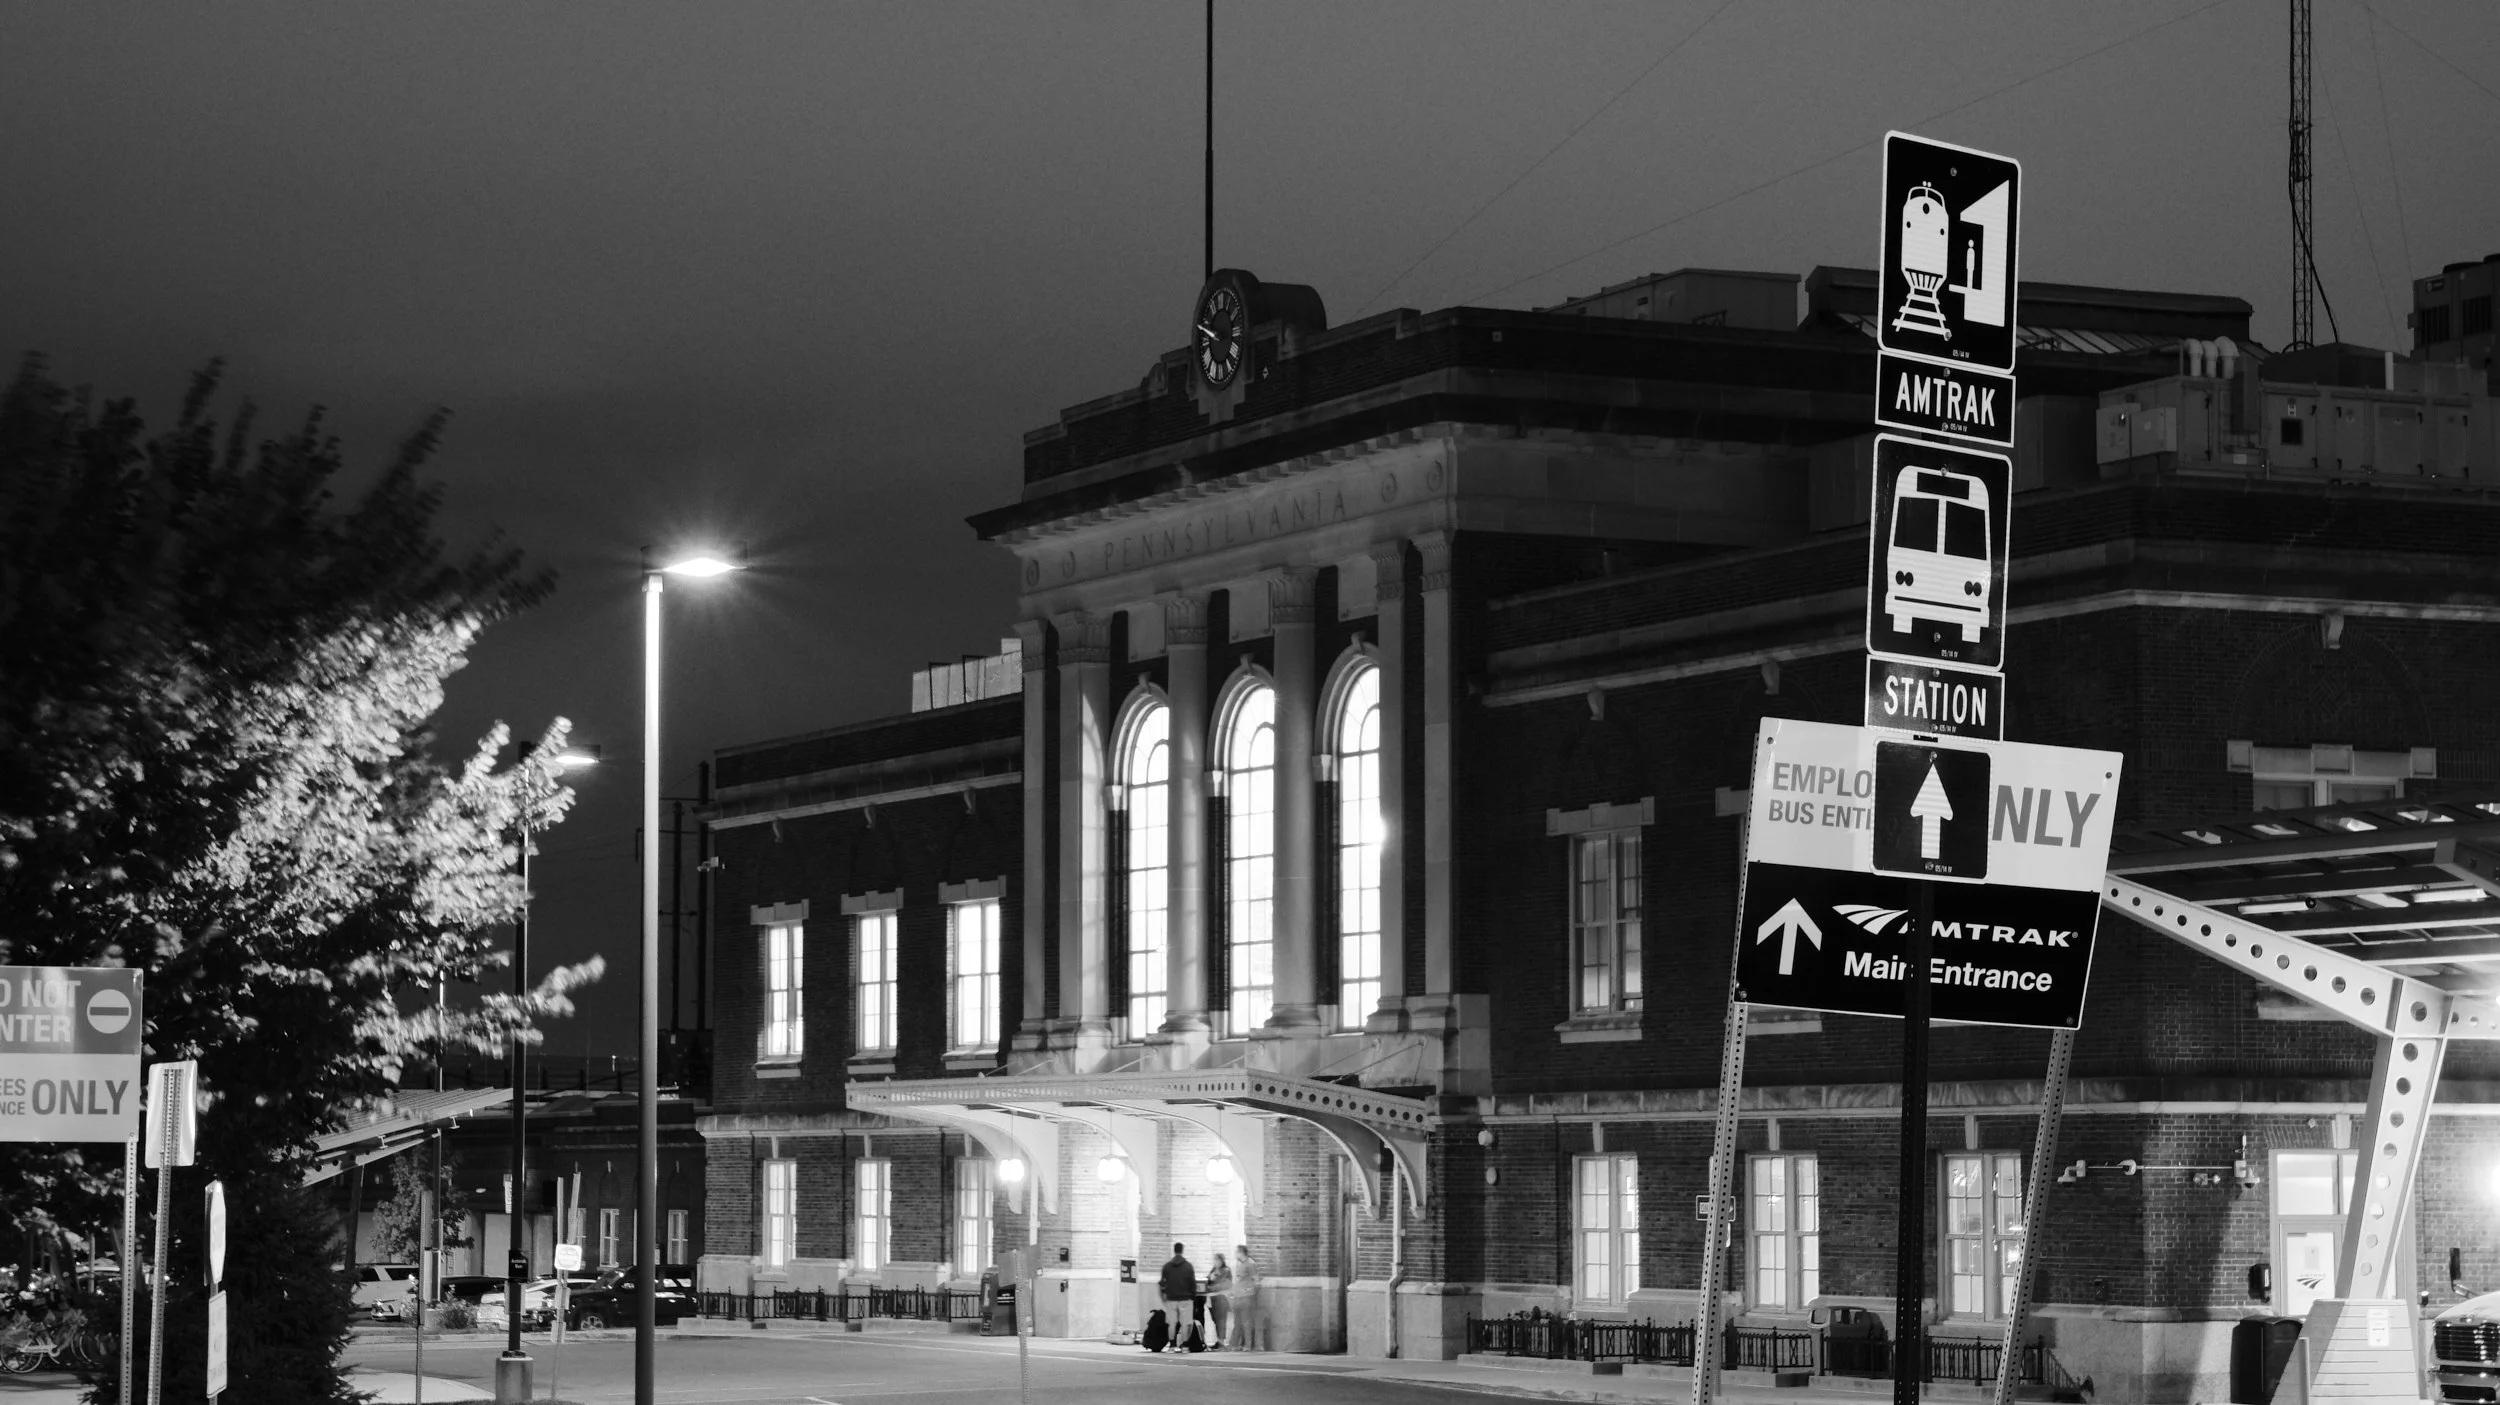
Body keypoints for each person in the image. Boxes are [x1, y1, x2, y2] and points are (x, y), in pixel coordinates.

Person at [1156, 1242, 1198, 1349]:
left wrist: (1163, 1295)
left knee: (1171, 1323)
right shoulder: (1188, 1266)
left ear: (1174, 1250)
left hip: (1171, 1299)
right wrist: (1193, 1295)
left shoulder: (1167, 1266)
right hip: (1185, 1298)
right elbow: (1192, 1283)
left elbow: (1162, 1283)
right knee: (1185, 1323)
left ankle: (1172, 1345)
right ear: (1182, 1250)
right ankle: (1184, 1345)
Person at [1226, 1243, 1260, 1350]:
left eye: (1237, 1252)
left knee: (1245, 1322)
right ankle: (1236, 1345)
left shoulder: (1248, 1264)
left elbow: (1254, 1280)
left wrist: (1251, 1292)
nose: (1235, 1255)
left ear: (1241, 1252)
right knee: (1239, 1322)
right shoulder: (1244, 1264)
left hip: (1245, 1297)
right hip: (1240, 1296)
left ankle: (1246, 1345)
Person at [1202, 1253, 1232, 1347]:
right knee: (1215, 1320)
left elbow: (1225, 1284)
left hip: (1221, 1297)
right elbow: (1207, 1281)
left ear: (1222, 1261)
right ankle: (1218, 1340)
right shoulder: (1213, 1270)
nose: (1215, 1262)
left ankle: (1221, 1341)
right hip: (1212, 1298)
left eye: (1217, 1260)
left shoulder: (1226, 1270)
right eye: (1214, 1260)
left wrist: (1210, 1288)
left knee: (1221, 1320)